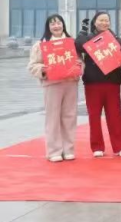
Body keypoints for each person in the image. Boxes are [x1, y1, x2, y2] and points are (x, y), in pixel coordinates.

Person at [75, 11, 121, 158]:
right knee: (94, 116)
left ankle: (120, 146)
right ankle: (97, 146)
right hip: (92, 83)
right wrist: (83, 30)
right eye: (101, 20)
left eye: (107, 20)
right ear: (95, 22)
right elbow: (78, 44)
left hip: (112, 82)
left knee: (115, 116)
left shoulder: (116, 40)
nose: (104, 23)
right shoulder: (88, 39)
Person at [28, 14, 82, 162]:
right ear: (48, 27)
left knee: (69, 117)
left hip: (70, 83)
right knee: (52, 118)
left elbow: (80, 61)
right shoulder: (41, 45)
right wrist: (43, 69)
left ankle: (68, 149)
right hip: (52, 85)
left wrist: (79, 65)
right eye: (52, 24)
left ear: (63, 25)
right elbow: (32, 65)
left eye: (59, 23)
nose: (56, 26)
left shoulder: (72, 43)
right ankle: (54, 151)